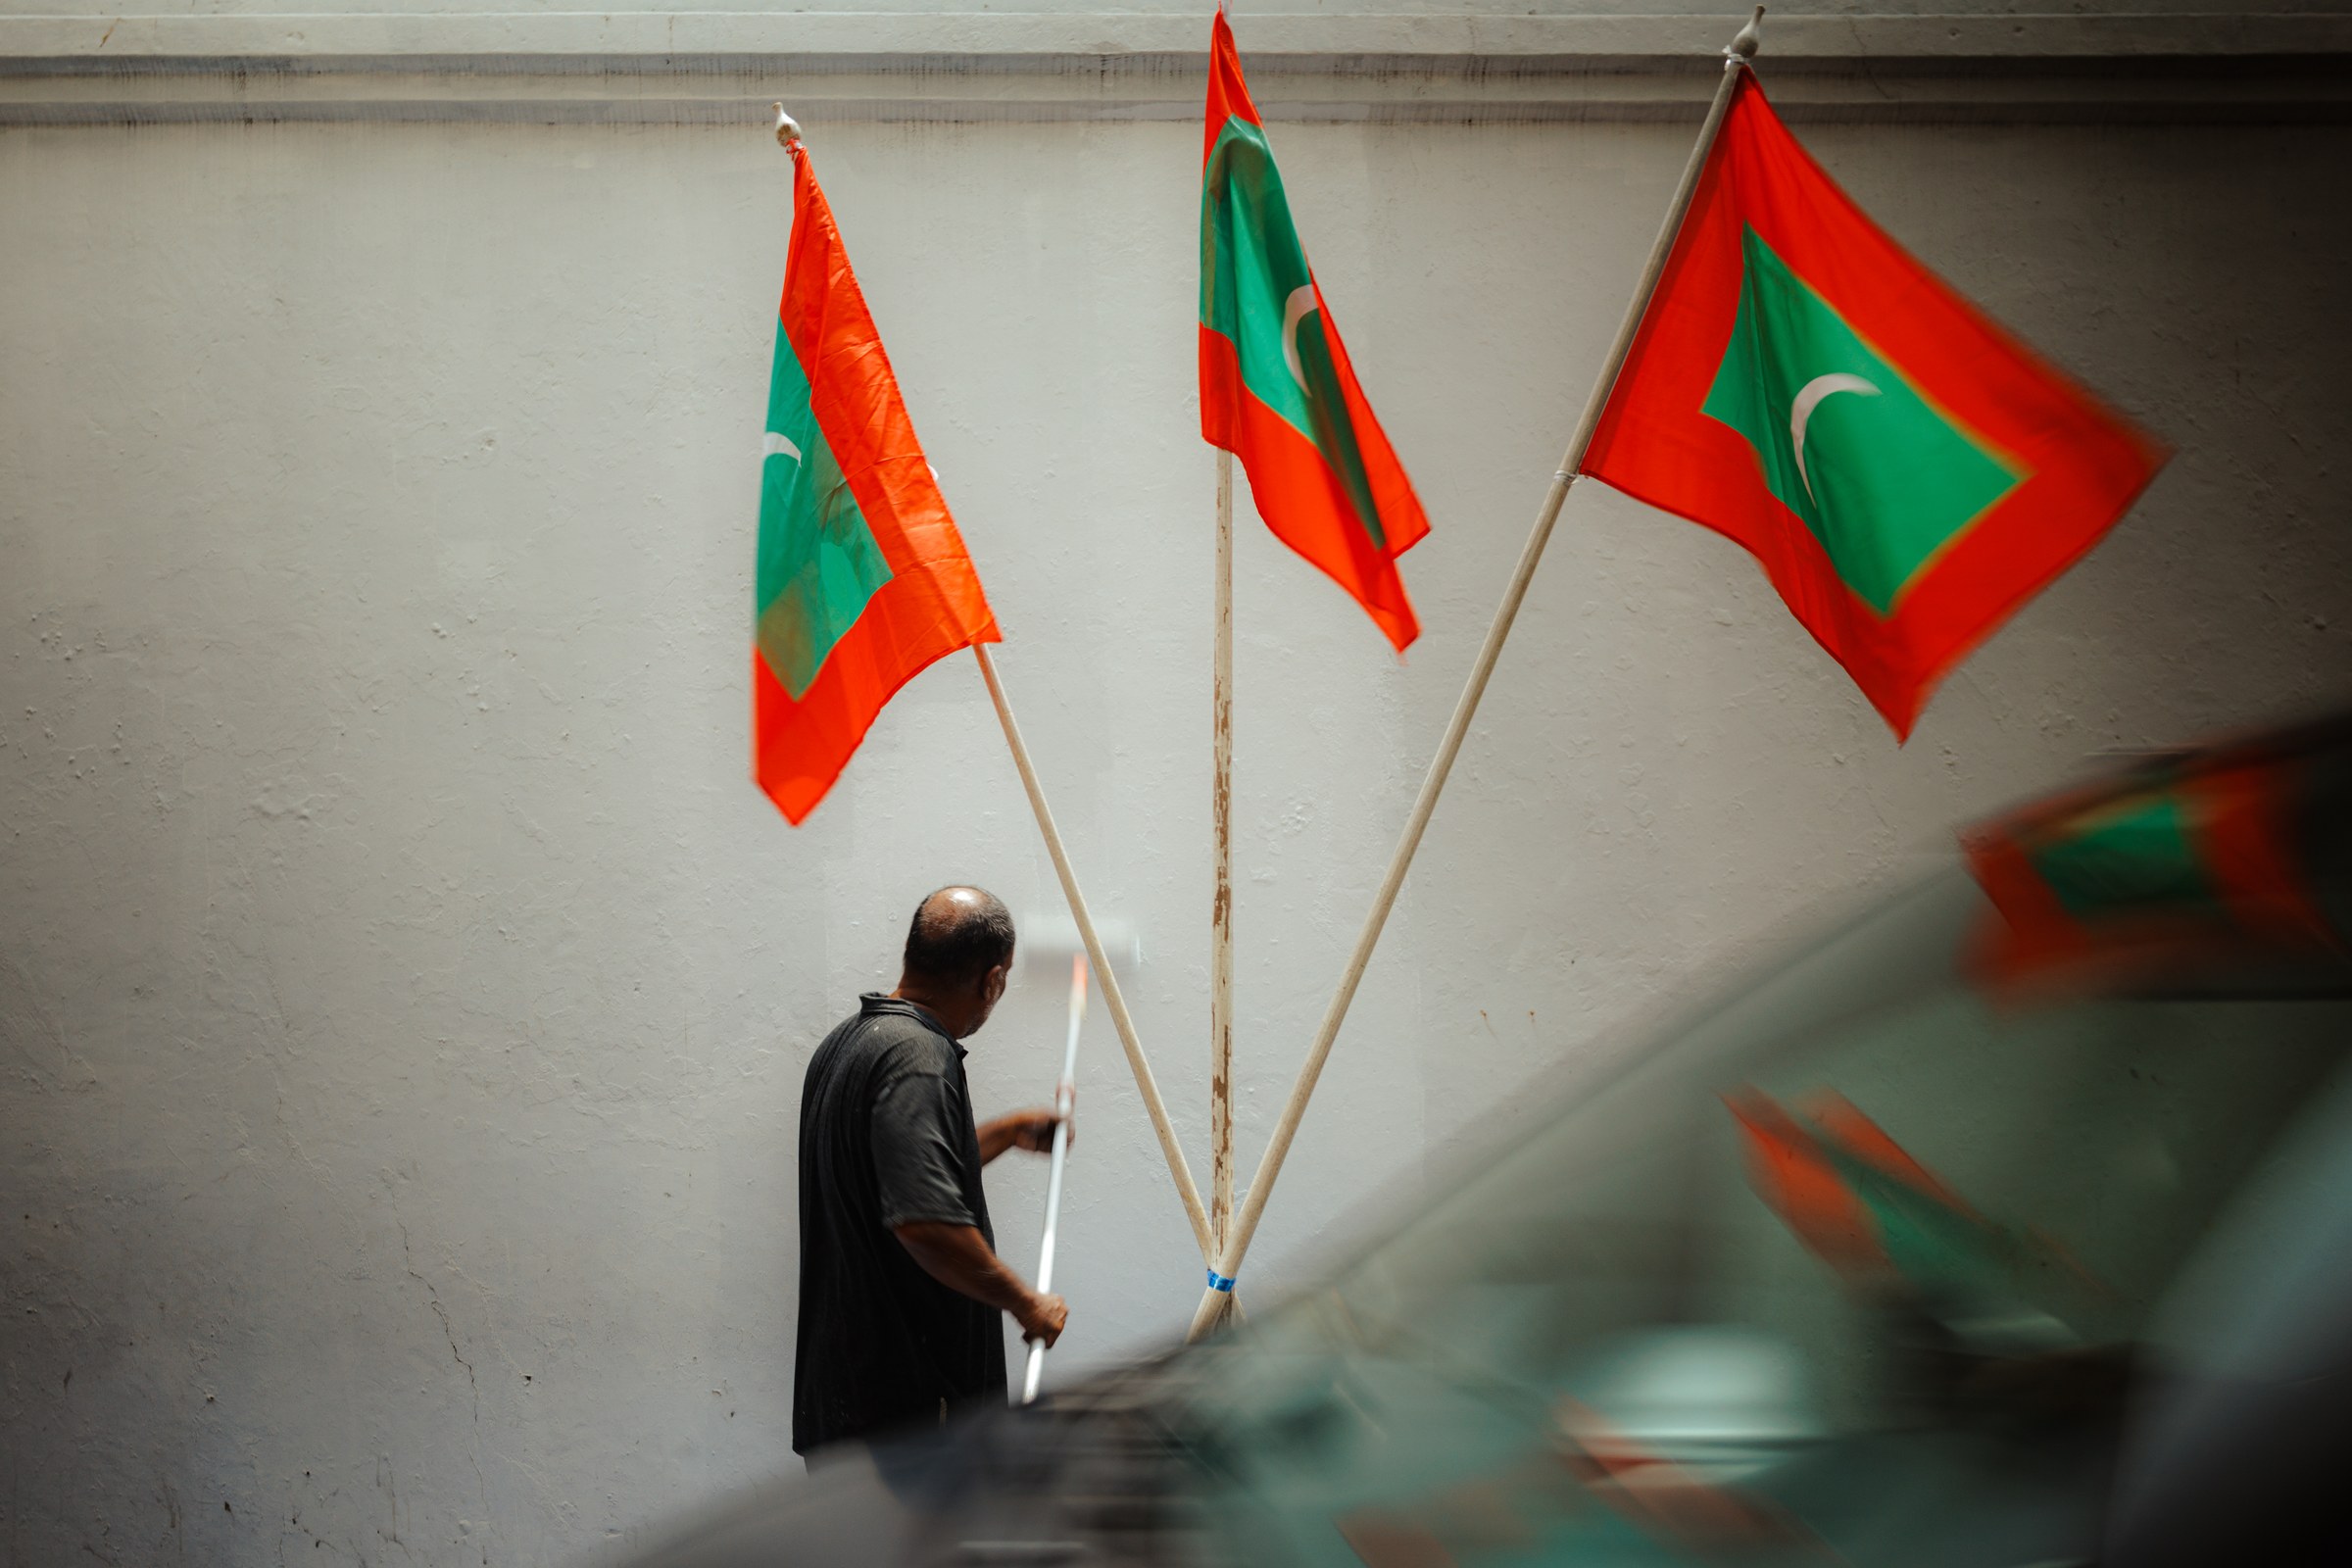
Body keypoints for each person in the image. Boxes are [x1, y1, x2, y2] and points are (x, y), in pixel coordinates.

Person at [792, 885, 1070, 1457]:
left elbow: (892, 1174)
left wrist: (1006, 1132)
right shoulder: (920, 1059)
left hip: (851, 1404)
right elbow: (923, 1222)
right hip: (911, 1420)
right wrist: (1025, 1301)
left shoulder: (851, 1041)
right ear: (991, 980)